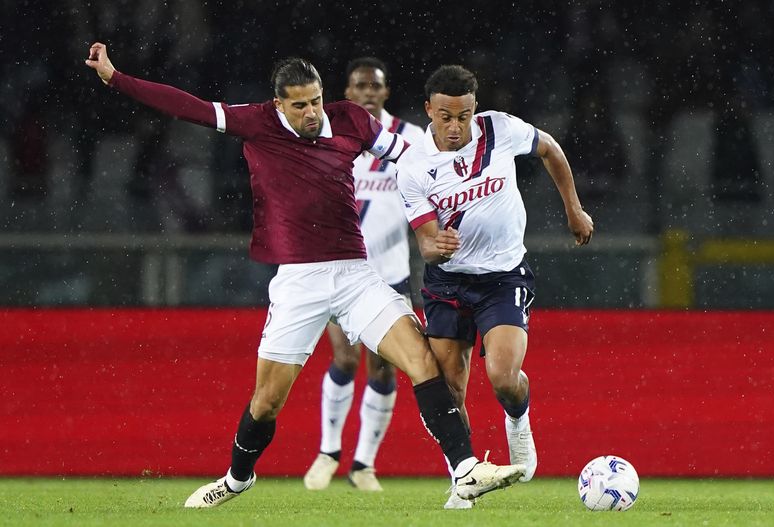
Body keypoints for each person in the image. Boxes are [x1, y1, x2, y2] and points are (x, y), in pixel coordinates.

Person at [85, 43, 526, 509]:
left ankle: (465, 470)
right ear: (279, 104)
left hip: (356, 276)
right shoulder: (256, 122)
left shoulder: (351, 119)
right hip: (299, 281)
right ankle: (236, 479)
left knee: (421, 360)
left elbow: (416, 157)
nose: (312, 112)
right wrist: (116, 77)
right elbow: (187, 107)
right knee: (267, 401)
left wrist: (472, 177)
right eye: (299, 105)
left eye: (315, 100)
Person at [396, 65, 594, 509]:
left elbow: (550, 149)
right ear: (428, 110)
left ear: (474, 109)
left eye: (463, 116)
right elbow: (425, 243)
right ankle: (463, 478)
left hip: (503, 277)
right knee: (449, 390)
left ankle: (518, 422)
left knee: (504, 378)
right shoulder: (412, 165)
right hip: (448, 282)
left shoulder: (500, 129)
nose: (455, 126)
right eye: (445, 116)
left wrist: (574, 209)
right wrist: (436, 247)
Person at [303, 57, 423, 492]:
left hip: (391, 274)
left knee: (384, 368)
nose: (368, 92)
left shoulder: (410, 139)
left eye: (376, 86)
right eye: (360, 86)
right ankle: (328, 452)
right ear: (348, 92)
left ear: (386, 92)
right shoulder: (329, 136)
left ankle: (363, 465)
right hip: (342, 269)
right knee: (344, 358)